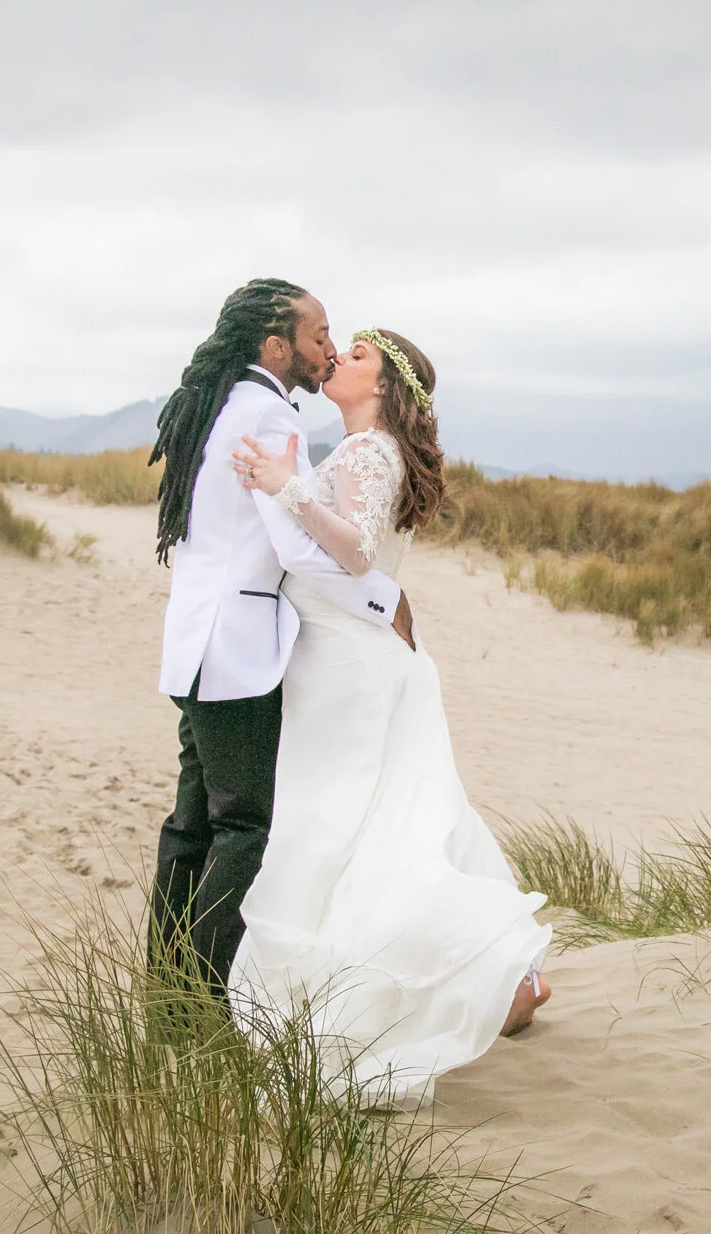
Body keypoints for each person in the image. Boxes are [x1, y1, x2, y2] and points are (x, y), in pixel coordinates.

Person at [227, 325, 552, 1106]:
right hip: (344, 657)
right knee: (378, 825)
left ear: (382, 386)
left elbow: (356, 552)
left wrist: (286, 485)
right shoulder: (361, 448)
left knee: (347, 828)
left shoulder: (371, 452)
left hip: (349, 667)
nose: (340, 357)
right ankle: (500, 981)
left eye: (359, 354)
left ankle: (481, 982)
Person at [149, 278, 416, 996]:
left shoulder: (220, 402)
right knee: (244, 827)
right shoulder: (269, 414)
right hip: (237, 650)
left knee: (191, 825)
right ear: (276, 346)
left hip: (195, 640)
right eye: (319, 335)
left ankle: (165, 993)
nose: (329, 348)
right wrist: (385, 596)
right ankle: (200, 997)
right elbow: (297, 549)